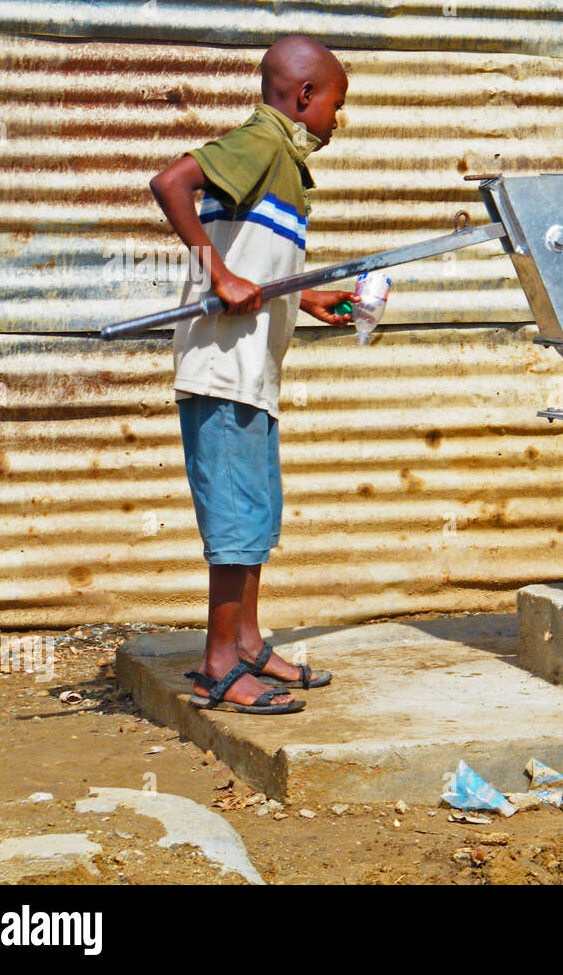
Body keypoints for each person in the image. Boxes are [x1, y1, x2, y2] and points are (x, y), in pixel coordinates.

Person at [149, 35, 354, 714]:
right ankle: (217, 663)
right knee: (236, 522)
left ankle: (249, 644)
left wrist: (307, 295)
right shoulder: (262, 140)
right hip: (223, 368)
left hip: (253, 371)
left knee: (257, 513)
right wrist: (220, 273)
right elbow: (171, 183)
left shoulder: (285, 163)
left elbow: (261, 265)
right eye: (334, 103)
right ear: (303, 97)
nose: (336, 118)